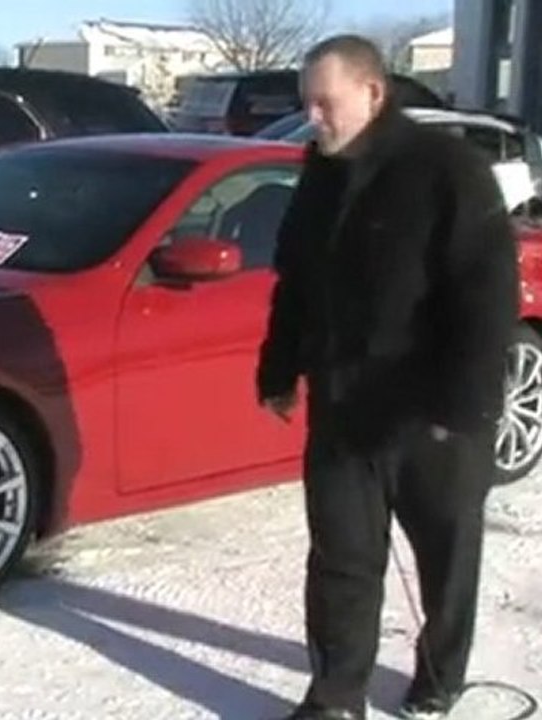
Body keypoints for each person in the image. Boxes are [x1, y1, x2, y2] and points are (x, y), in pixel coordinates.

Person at [256, 35, 519, 720]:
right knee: (340, 561)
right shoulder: (320, 174)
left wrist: (460, 409)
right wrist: (279, 369)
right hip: (343, 411)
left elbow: (485, 299)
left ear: (373, 94)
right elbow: (295, 284)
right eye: (305, 103)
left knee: (444, 558)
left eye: (324, 102)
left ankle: (441, 673)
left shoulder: (446, 171)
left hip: (432, 414)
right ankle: (337, 694)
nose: (312, 117)